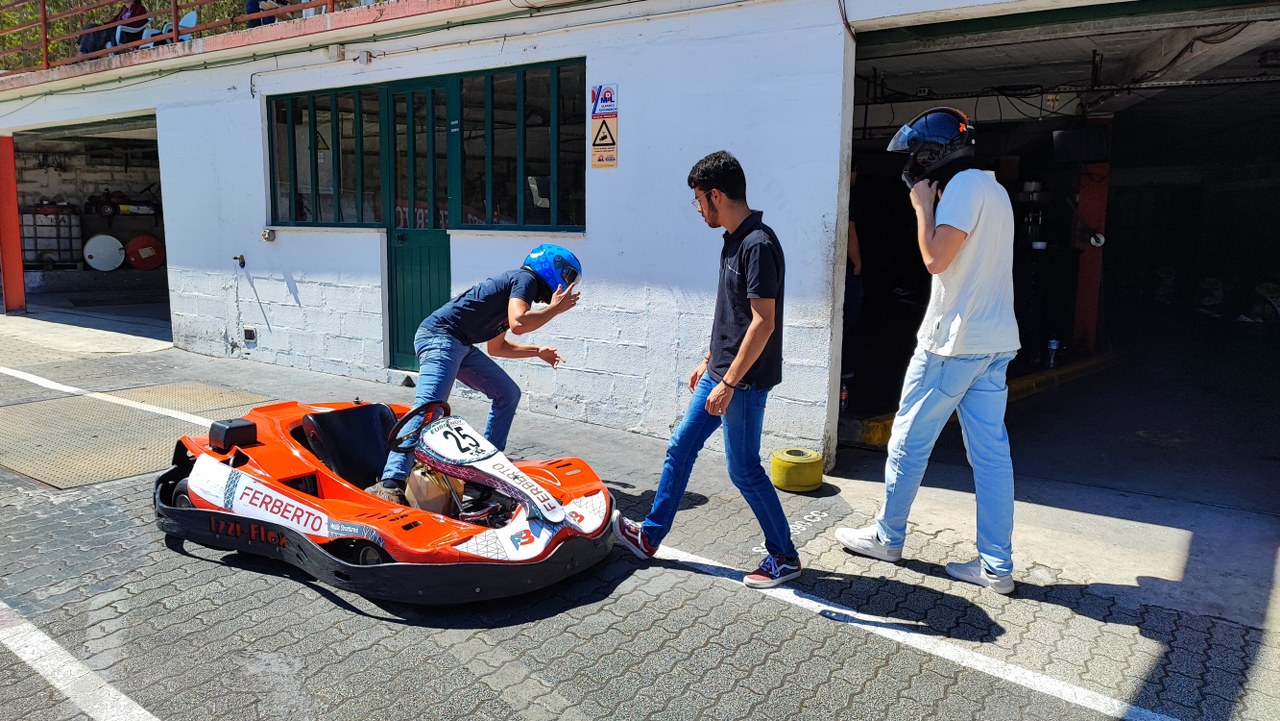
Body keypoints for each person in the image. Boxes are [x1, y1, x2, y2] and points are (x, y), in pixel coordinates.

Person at [831, 107, 1022, 594]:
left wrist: (921, 206)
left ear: (934, 154)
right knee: (991, 457)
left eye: (916, 155)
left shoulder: (961, 190)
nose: (912, 165)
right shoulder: (995, 191)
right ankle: (996, 566)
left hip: (952, 345)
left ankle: (887, 537)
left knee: (907, 443)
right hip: (994, 344)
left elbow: (936, 258)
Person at [611, 150, 801, 589]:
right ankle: (650, 537)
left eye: (698, 199)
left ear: (715, 195)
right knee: (680, 447)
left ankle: (784, 556)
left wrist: (730, 381)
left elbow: (763, 322)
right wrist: (708, 359)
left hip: (742, 382)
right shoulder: (733, 239)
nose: (697, 209)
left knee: (744, 470)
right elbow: (732, 313)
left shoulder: (758, 244)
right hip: (721, 371)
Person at [369, 244, 582, 504]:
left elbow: (497, 347)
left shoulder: (515, 294)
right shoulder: (525, 279)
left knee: (507, 393)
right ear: (551, 267)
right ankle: (390, 482)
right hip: (440, 336)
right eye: (569, 277)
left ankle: (485, 470)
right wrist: (556, 309)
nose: (568, 286)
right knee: (429, 408)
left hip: (459, 343)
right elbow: (519, 323)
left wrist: (537, 351)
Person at [840, 159, 864, 411]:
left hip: (838, 272)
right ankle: (844, 374)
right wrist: (857, 263)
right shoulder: (850, 197)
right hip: (847, 272)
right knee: (849, 323)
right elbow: (850, 231)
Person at [78, 0, 148, 55]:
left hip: (127, 35)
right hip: (115, 32)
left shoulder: (139, 8)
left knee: (98, 34)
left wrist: (120, 26)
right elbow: (113, 21)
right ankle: (83, 53)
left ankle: (83, 54)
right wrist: (103, 26)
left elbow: (138, 23)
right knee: (92, 27)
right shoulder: (123, 10)